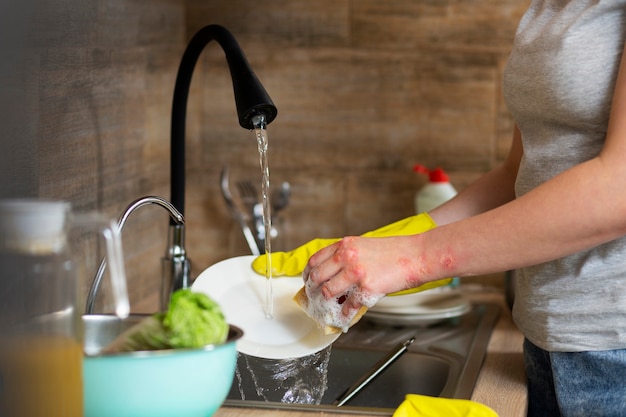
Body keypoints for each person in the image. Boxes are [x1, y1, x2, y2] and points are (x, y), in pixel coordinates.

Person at [297, 2, 626, 416]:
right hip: (551, 341)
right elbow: (518, 173)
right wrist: (379, 246)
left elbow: (620, 188)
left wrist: (411, 258)